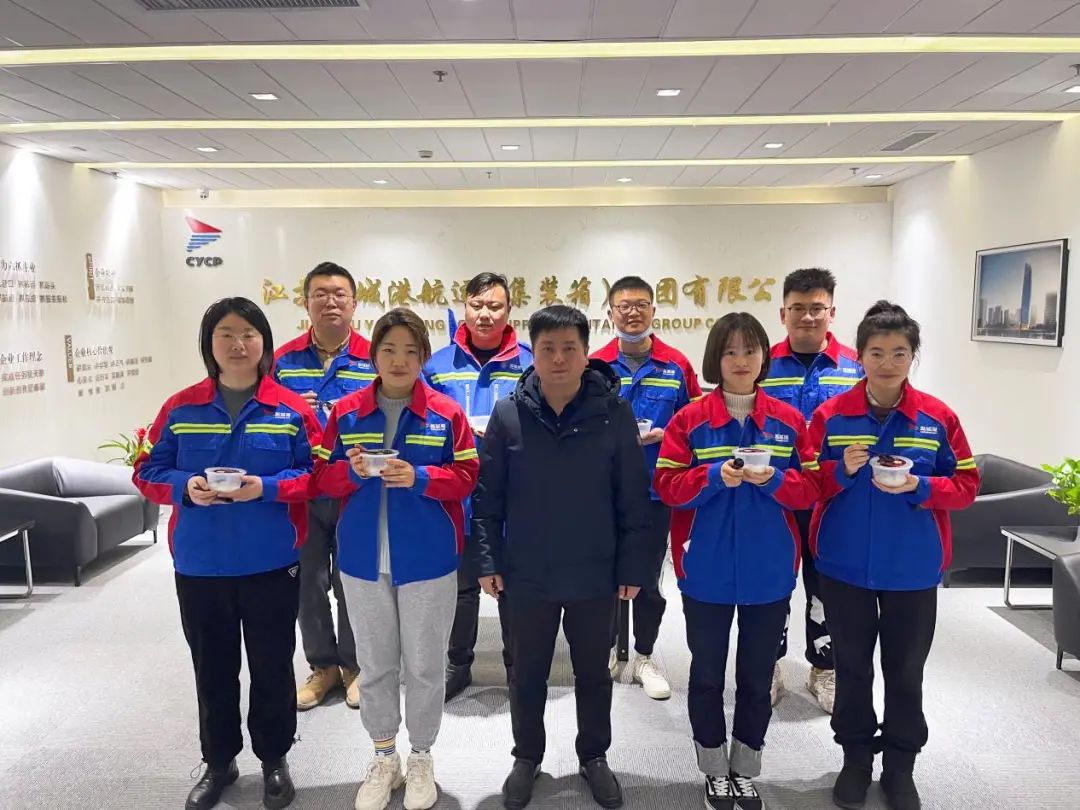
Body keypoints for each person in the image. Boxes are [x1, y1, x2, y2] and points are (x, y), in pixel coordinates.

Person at [133, 298, 321, 810]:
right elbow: (146, 472)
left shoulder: (292, 409)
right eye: (226, 335)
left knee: (272, 666)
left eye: (248, 334)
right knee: (212, 668)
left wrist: (266, 487)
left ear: (264, 342)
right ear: (209, 344)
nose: (238, 345)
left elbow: (316, 474)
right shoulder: (180, 408)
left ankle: (275, 758)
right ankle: (219, 762)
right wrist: (185, 485)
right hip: (201, 564)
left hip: (271, 562)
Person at [472, 305, 652, 810]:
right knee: (526, 670)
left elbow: (633, 498)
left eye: (569, 348)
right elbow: (488, 497)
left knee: (593, 671)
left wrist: (633, 567)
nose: (558, 358)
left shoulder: (613, 413)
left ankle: (594, 755)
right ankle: (527, 756)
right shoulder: (509, 414)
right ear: (532, 353)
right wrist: (487, 560)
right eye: (547, 348)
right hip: (527, 571)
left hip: (595, 570)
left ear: (586, 352)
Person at [808, 301, 979, 810]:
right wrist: (840, 470)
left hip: (913, 566)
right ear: (859, 356)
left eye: (899, 353)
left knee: (905, 671)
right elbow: (805, 483)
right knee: (852, 667)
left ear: (912, 357)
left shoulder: (937, 418)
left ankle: (901, 765)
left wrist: (919, 486)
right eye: (877, 353)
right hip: (844, 565)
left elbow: (967, 485)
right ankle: (856, 759)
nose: (887, 363)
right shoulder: (831, 416)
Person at [312, 308, 478, 810]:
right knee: (376, 663)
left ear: (423, 356)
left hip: (428, 557)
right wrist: (352, 472)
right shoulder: (346, 413)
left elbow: (468, 476)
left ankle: (421, 755)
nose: (399, 360)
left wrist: (421, 478)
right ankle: (385, 756)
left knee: (425, 665)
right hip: (363, 558)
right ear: (374, 355)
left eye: (410, 351)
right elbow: (321, 478)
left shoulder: (446, 413)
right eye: (389, 350)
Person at [654, 313, 819, 810]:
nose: (741, 360)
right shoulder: (689, 421)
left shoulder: (788, 422)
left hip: (770, 571)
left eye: (750, 350)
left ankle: (745, 767)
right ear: (716, 359)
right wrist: (710, 478)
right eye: (730, 351)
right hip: (704, 570)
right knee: (706, 675)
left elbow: (811, 489)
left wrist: (774, 481)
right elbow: (666, 486)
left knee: (756, 676)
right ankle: (712, 768)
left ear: (765, 356)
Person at [422, 271, 533, 701]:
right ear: (464, 307)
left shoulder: (529, 363)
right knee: (462, 587)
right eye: (477, 305)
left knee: (516, 587)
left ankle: (518, 666)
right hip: (459, 496)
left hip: (515, 496)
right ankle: (458, 663)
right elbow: (425, 422)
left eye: (495, 306)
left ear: (509, 311)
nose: (485, 314)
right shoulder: (437, 366)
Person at [590, 275, 702, 701]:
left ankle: (643, 655)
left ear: (654, 310)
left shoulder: (677, 366)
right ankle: (604, 650)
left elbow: (696, 424)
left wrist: (667, 434)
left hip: (656, 490)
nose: (632, 312)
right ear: (610, 313)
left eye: (641, 304)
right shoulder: (595, 365)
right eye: (624, 306)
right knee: (602, 573)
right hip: (603, 491)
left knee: (649, 578)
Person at [760, 267, 863, 713]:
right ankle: (768, 665)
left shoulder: (856, 367)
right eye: (798, 308)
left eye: (817, 308)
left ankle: (825, 668)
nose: (807, 317)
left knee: (827, 587)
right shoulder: (762, 365)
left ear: (832, 312)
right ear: (782, 313)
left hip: (833, 500)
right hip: (776, 497)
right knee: (773, 582)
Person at [273, 261, 375, 712]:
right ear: (306, 303)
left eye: (339, 294)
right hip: (303, 490)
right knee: (307, 582)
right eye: (320, 294)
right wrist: (291, 409)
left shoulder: (374, 357)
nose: (330, 302)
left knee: (351, 579)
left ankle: (355, 666)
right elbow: (265, 415)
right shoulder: (282, 362)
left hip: (356, 489)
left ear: (354, 303)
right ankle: (322, 666)